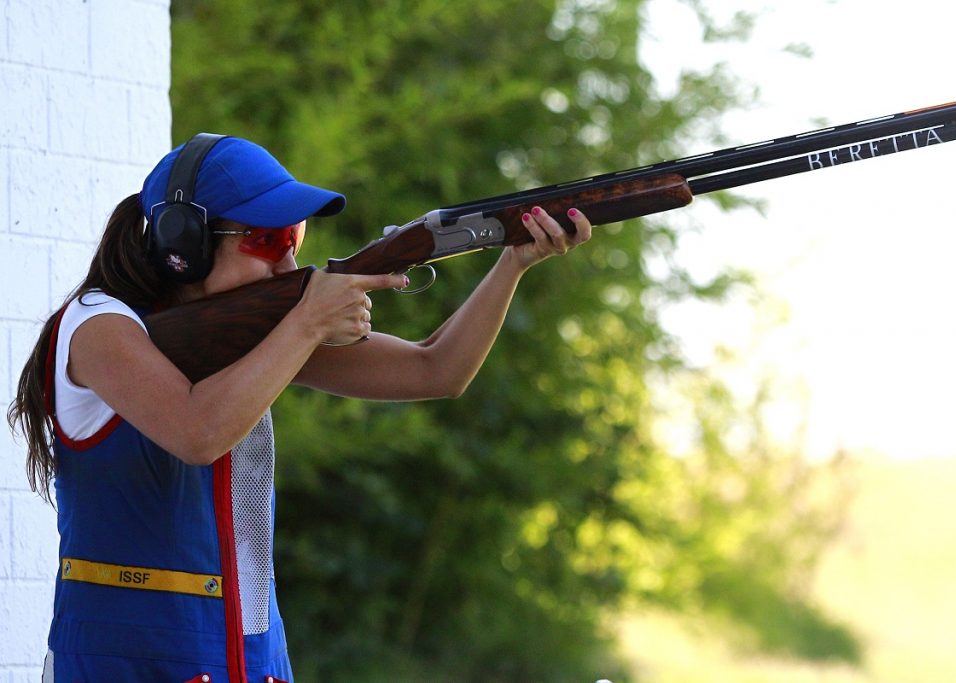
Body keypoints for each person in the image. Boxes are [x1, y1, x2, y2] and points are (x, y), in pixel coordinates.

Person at [6, 134, 591, 682]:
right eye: (266, 241)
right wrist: (308, 321)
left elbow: (437, 369)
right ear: (182, 244)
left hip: (254, 658)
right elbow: (197, 431)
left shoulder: (256, 333)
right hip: (131, 664)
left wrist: (511, 263)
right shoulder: (97, 327)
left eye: (296, 240)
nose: (287, 266)